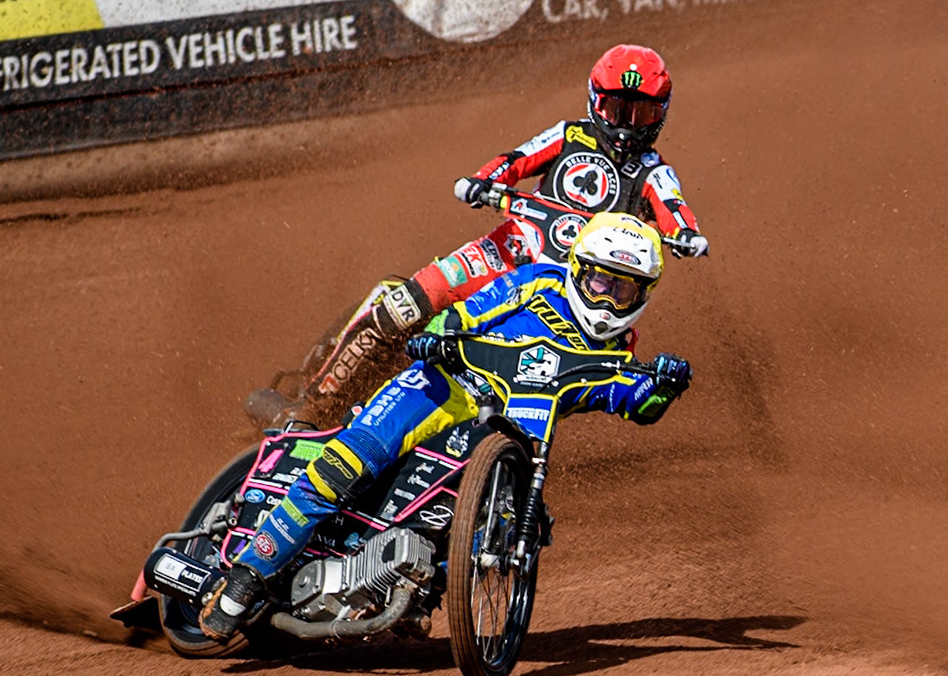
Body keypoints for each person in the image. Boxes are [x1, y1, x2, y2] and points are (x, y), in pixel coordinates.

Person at [198, 212, 692, 639]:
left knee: (509, 512)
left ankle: (415, 582)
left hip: (509, 432)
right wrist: (438, 335)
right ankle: (247, 575)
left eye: (623, 289)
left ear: (642, 295)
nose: (607, 299)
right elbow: (468, 310)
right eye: (600, 281)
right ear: (578, 271)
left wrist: (664, 386)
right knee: (344, 465)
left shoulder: (619, 351)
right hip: (443, 385)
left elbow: (632, 402)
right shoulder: (538, 281)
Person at [260, 44, 708, 427]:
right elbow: (515, 159)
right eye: (617, 108)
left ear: (659, 114)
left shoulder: (653, 171)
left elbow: (674, 210)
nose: (627, 124)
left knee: (515, 377)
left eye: (641, 111)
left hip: (569, 295)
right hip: (505, 250)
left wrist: (686, 235)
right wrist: (482, 181)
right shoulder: (569, 135)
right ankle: (311, 408)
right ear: (596, 101)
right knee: (404, 303)